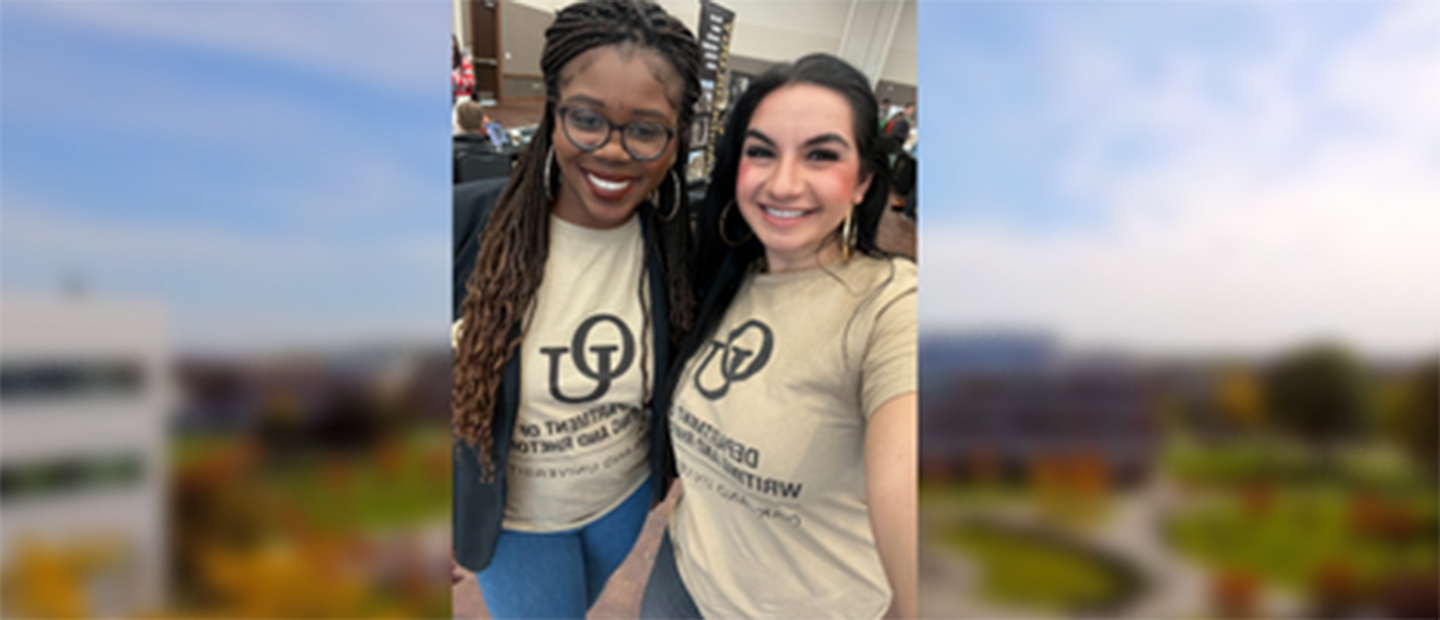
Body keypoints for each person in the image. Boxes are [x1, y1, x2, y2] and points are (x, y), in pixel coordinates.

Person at [641, 53, 918, 619]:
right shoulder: (725, 274)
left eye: (820, 155)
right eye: (762, 151)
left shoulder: (892, 306)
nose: (784, 182)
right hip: (683, 579)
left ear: (864, 181)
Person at [451, 1, 700, 617]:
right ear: (552, 116)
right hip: (515, 522)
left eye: (645, 129)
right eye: (587, 119)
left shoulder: (675, 250)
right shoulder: (461, 224)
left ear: (676, 140)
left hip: (622, 505)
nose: (613, 152)